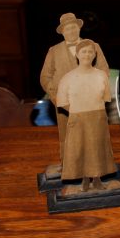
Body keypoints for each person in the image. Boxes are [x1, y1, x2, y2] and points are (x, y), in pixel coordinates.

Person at [40, 13, 109, 162]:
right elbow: (45, 77)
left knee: (92, 135)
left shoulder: (93, 46)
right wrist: (56, 96)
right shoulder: (54, 51)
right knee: (68, 136)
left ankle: (94, 167)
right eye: (67, 29)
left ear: (79, 28)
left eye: (73, 28)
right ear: (62, 32)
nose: (71, 31)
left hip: (90, 103)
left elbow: (103, 70)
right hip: (65, 105)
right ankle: (69, 169)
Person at [56, 39, 116, 191]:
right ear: (77, 54)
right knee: (80, 149)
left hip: (98, 118)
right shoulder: (68, 78)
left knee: (96, 149)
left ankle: (97, 180)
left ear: (95, 55)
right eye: (84, 52)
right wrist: (78, 111)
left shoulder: (101, 75)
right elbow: (62, 101)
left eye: (90, 52)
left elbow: (106, 97)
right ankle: (84, 180)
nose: (87, 55)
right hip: (78, 119)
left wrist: (93, 111)